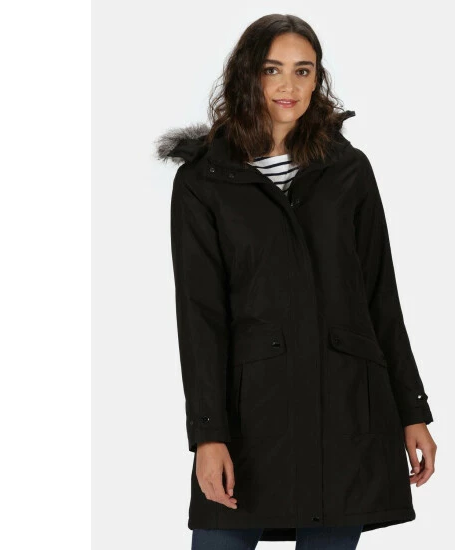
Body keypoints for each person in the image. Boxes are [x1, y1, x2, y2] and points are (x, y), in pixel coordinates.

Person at [154, 13, 437, 550]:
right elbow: (199, 317)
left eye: (303, 71)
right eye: (272, 69)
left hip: (346, 408)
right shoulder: (203, 181)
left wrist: (412, 411)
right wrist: (208, 435)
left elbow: (381, 297)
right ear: (247, 75)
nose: (289, 86)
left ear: (316, 79)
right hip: (252, 415)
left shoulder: (348, 170)